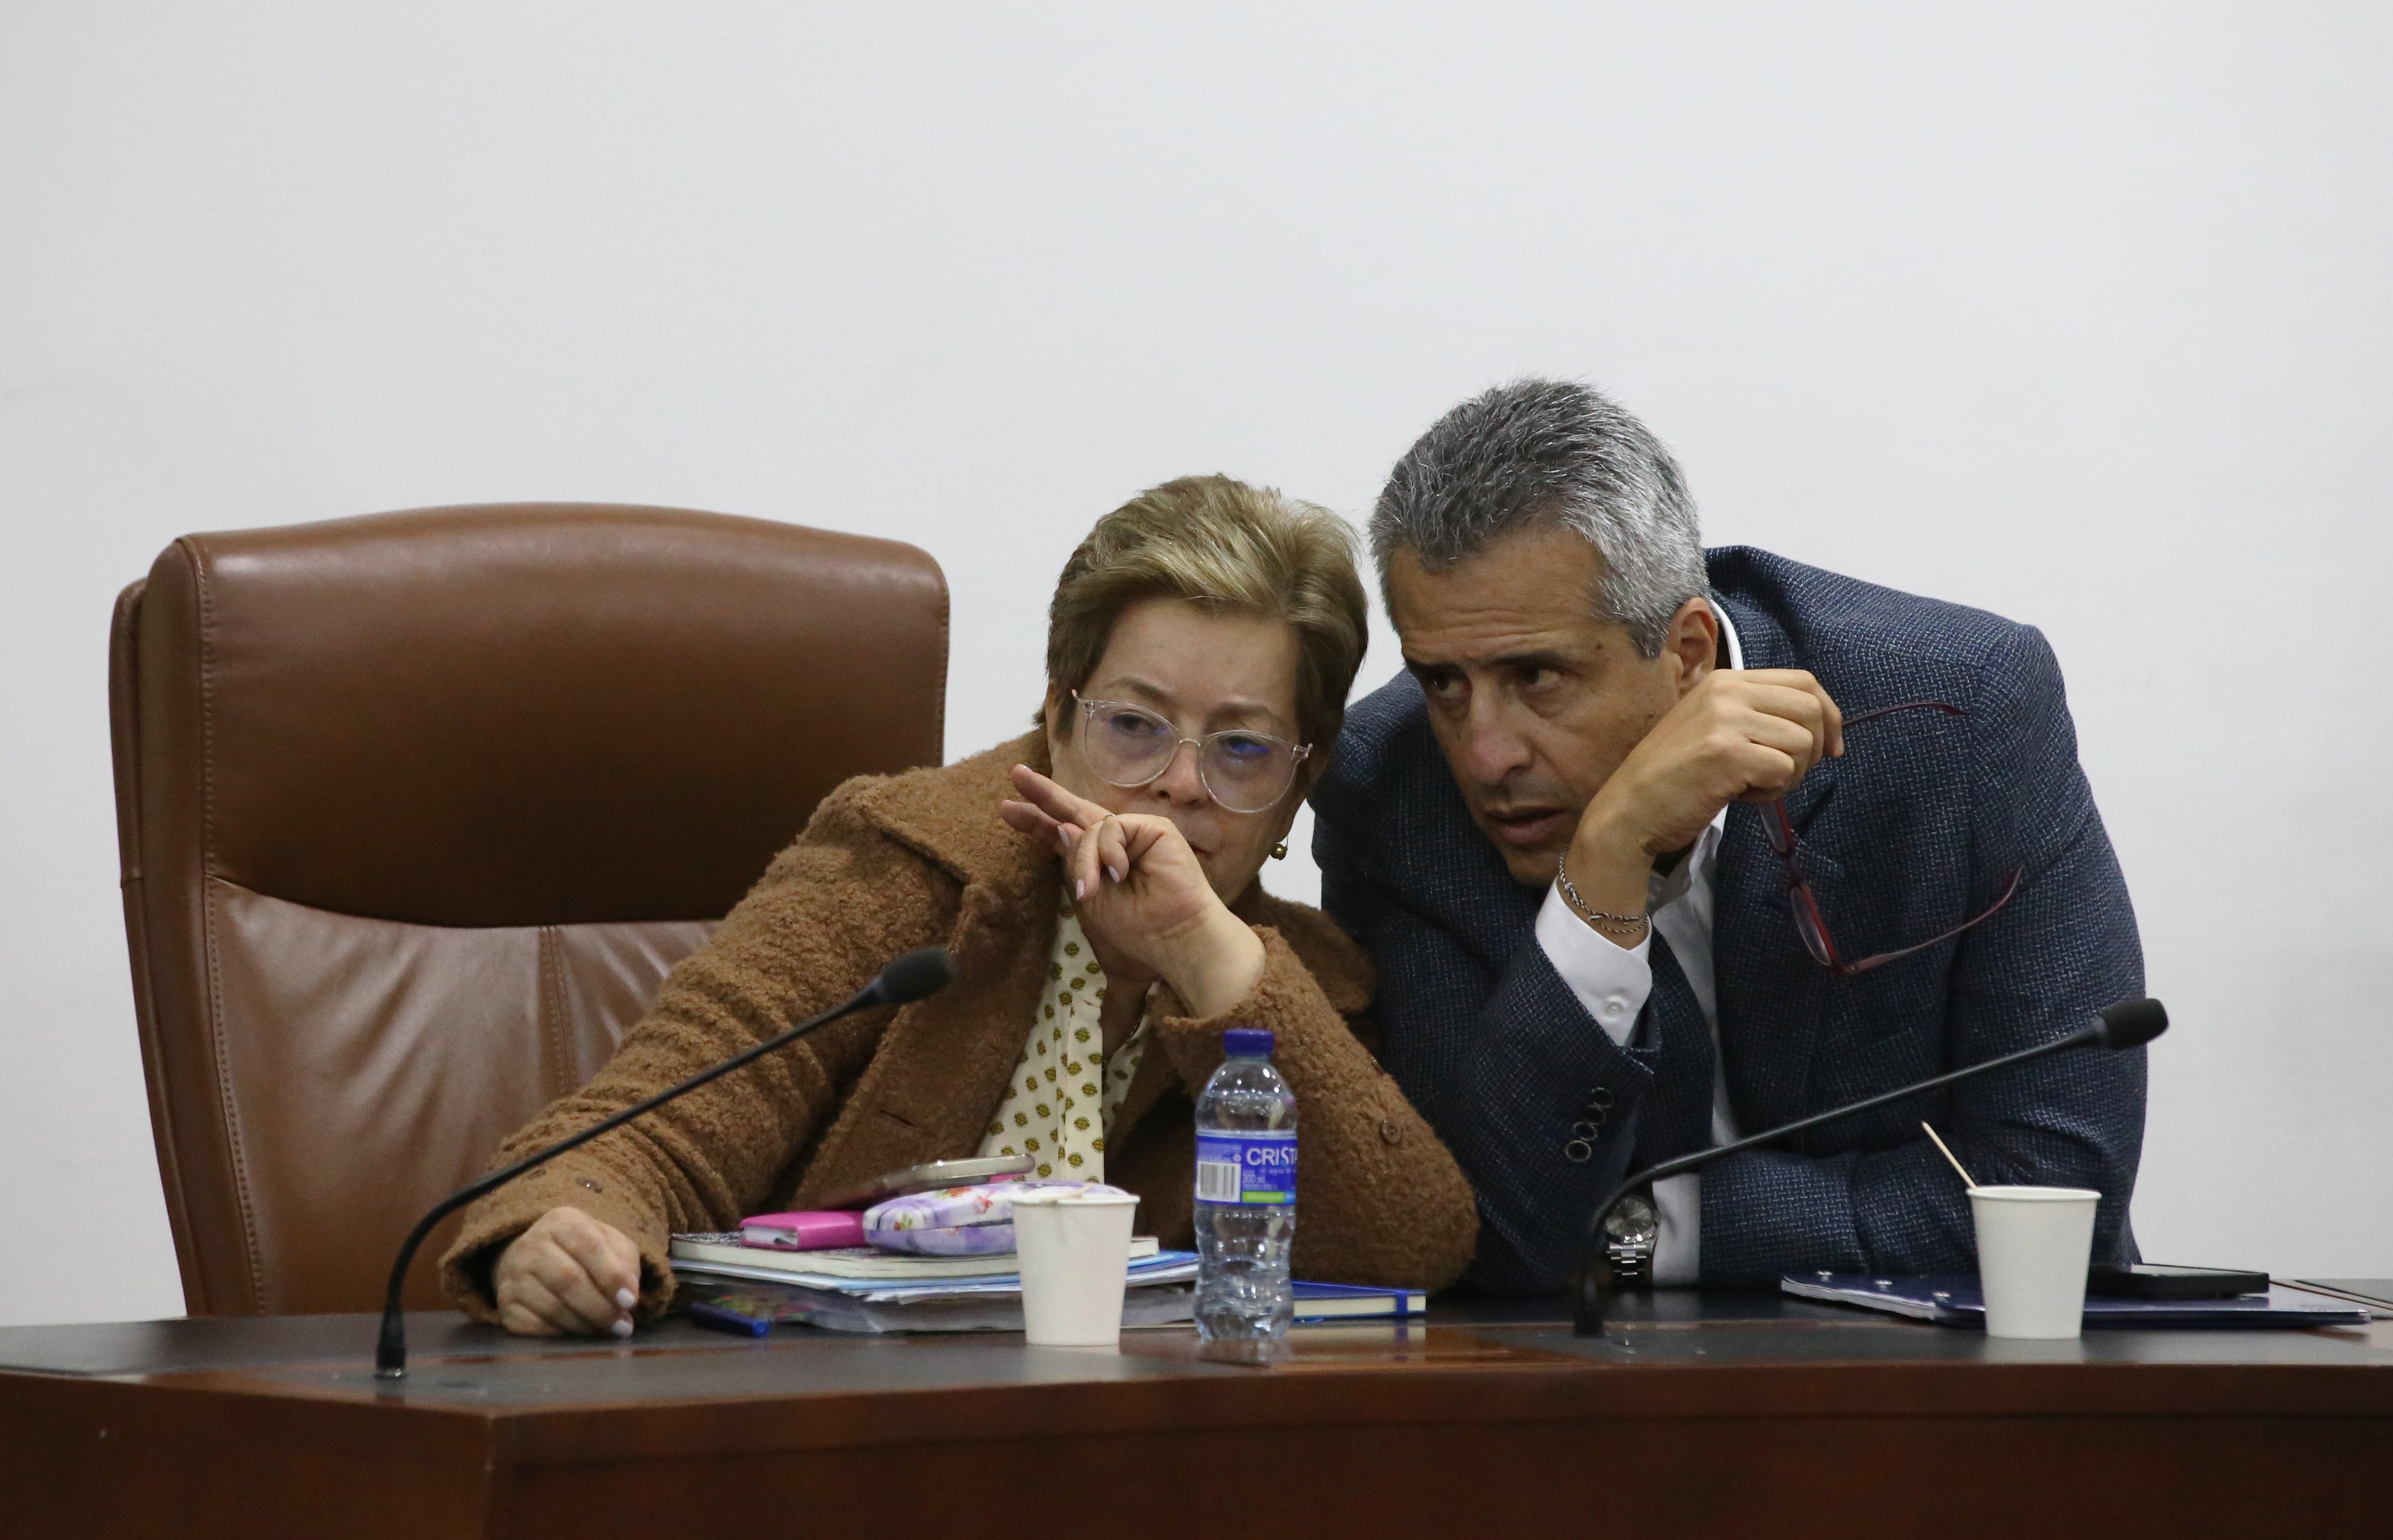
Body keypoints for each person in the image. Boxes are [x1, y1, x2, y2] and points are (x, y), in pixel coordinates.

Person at [444, 475, 1479, 1337]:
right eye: (1134, 724)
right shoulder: (908, 868)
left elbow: (1407, 1247)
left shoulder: (1300, 989)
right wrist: (568, 1231)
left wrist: (1205, 960)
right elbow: (648, 1130)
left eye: (1242, 746)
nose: (1176, 782)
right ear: (1057, 709)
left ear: (1304, 779)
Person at [1312, 379, 2145, 1294]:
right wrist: (1604, 865)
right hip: (1574, 1398)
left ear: (1690, 655)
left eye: (1537, 676)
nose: (1484, 752)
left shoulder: (1960, 714)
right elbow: (1484, 1230)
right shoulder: (1388, 788)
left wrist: (1644, 1228)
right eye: (1443, 683)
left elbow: (2060, 1198)